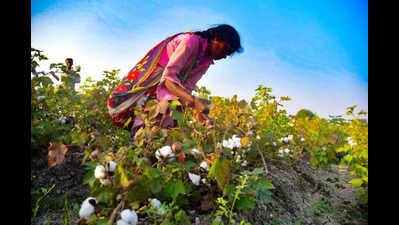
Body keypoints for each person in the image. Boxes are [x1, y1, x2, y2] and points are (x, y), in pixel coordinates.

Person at [107, 24, 243, 143]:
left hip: (172, 90)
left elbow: (187, 89)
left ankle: (153, 154)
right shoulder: (189, 42)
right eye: (226, 50)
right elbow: (168, 81)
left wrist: (198, 113)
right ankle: (137, 150)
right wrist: (195, 102)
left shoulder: (206, 61)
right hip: (156, 84)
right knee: (148, 123)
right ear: (216, 38)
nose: (225, 56)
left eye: (228, 54)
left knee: (167, 127)